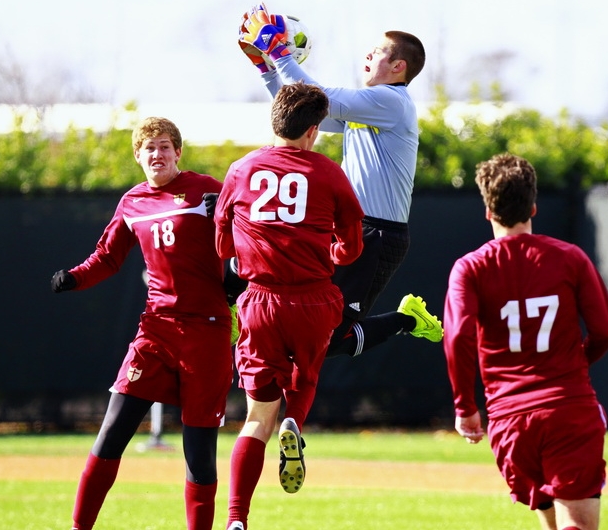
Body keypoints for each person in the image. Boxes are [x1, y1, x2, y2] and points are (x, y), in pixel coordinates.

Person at [50, 117, 232, 530]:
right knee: (112, 432)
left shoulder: (207, 189)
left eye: (165, 146)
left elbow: (245, 232)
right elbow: (108, 257)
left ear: (177, 152)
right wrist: (75, 277)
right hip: (156, 330)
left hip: (206, 330)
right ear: (137, 155)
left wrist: (237, 257)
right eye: (149, 147)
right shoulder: (132, 202)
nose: (157, 154)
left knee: (199, 451)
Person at [236, 3, 442, 360]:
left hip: (377, 236)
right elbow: (302, 113)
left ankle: (405, 320)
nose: (367, 54)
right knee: (297, 317)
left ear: (398, 67)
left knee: (328, 338)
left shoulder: (391, 102)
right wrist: (266, 68)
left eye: (378, 52)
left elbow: (320, 99)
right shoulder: (371, 106)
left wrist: (280, 54)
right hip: (347, 229)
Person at [213, 81, 365, 530]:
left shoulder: (241, 170)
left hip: (260, 299)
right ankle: (295, 422)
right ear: (314, 131)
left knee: (256, 417)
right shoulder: (329, 173)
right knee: (306, 374)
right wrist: (332, 252)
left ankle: (237, 520)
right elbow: (351, 247)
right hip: (315, 297)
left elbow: (221, 241)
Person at [442, 153, 608, 530]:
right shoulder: (570, 258)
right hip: (569, 408)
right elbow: (604, 331)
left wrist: (465, 406)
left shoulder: (470, 268)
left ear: (488, 211)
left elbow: (458, 336)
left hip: (510, 419)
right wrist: (575, 366)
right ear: (534, 206)